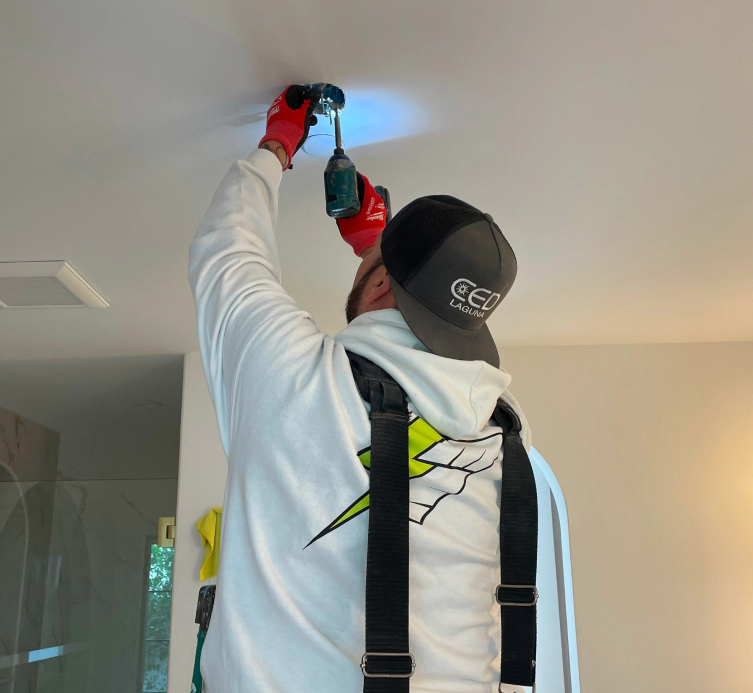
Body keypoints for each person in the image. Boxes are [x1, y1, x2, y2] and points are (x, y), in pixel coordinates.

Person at [189, 85, 533, 693]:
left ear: (376, 292)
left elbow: (228, 250)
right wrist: (377, 251)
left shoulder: (288, 372)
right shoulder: (501, 431)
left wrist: (277, 144)